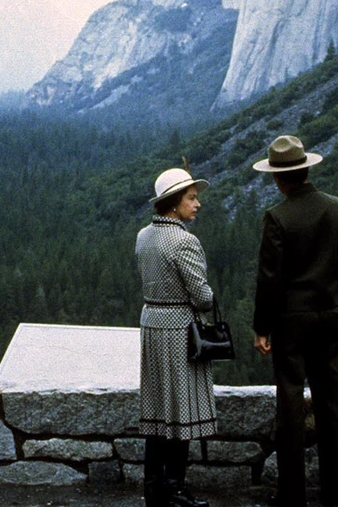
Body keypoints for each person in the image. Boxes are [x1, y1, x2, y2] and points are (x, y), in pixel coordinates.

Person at [251, 135, 338, 507]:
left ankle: (292, 494)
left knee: (291, 405)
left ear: (278, 178)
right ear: (307, 168)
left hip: (290, 323)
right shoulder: (337, 208)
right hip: (328, 316)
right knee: (331, 404)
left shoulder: (278, 217)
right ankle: (334, 493)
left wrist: (262, 327)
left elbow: (270, 279)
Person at [137, 167, 217, 507]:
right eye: (191, 198)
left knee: (158, 409)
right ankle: (176, 489)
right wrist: (211, 296)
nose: (197, 204)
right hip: (178, 328)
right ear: (173, 204)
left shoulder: (144, 236)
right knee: (180, 408)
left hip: (151, 322)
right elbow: (202, 297)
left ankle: (155, 486)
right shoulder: (184, 241)